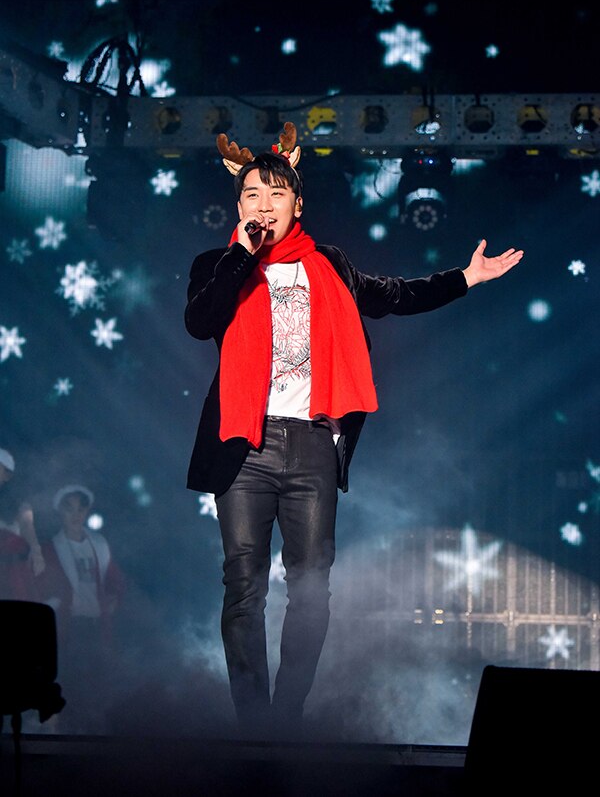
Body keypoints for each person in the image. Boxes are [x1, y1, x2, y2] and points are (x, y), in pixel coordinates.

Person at [184, 122, 524, 739]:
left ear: (297, 204)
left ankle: (286, 719)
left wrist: (465, 278)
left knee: (312, 588)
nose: (264, 204)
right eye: (253, 195)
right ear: (239, 207)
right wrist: (240, 255)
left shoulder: (329, 264)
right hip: (243, 446)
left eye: (276, 194)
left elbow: (393, 295)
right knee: (244, 586)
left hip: (313, 443)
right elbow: (200, 320)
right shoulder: (217, 265)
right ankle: (252, 726)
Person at [35, 484, 126, 732]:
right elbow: (40, 587)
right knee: (70, 684)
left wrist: (114, 598)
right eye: (69, 508)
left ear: (86, 511)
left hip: (97, 625)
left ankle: (94, 737)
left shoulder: (99, 544)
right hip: (69, 627)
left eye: (80, 508)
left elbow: (115, 580)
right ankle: (68, 738)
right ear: (60, 512)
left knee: (99, 684)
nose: (76, 514)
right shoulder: (50, 549)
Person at [0, 447, 44, 601]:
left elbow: (27, 527)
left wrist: (36, 553)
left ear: (6, 475)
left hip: (9, 569)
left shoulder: (17, 505)